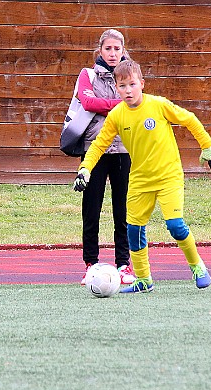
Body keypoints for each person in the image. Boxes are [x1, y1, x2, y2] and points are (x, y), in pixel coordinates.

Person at [74, 60, 211, 293]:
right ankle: (144, 280)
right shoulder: (116, 115)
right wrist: (85, 169)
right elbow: (99, 145)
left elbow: (189, 119)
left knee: (175, 226)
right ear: (116, 87)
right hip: (140, 181)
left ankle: (197, 266)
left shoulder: (159, 105)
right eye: (122, 86)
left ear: (141, 84)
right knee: (133, 230)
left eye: (132, 84)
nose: (128, 90)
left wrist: (208, 147)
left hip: (168, 177)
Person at [75, 29, 135, 285]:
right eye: (108, 49)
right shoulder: (87, 74)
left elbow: (136, 102)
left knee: (123, 210)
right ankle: (91, 263)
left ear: (123, 50)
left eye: (117, 49)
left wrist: (113, 105)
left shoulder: (131, 74)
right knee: (91, 209)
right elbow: (88, 103)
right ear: (100, 50)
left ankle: (124, 263)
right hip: (94, 149)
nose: (112, 54)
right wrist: (119, 105)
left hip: (124, 148)